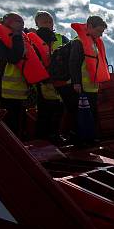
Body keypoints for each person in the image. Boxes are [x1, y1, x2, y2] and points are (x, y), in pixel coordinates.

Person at [66, 15, 111, 142]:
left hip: (92, 87)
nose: (100, 35)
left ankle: (90, 138)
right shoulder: (79, 42)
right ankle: (78, 140)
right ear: (90, 26)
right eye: (99, 31)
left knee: (92, 114)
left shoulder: (95, 44)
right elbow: (73, 63)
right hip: (81, 87)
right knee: (80, 115)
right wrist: (76, 83)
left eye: (102, 32)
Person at [29, 10, 70, 143]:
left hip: (59, 79)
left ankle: (55, 135)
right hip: (42, 80)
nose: (48, 24)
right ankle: (41, 138)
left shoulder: (62, 38)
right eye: (44, 21)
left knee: (59, 108)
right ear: (37, 24)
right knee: (44, 110)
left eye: (50, 21)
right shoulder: (31, 39)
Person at [0, 12, 29, 137]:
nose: (21, 24)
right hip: (4, 93)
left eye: (22, 22)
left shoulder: (23, 40)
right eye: (18, 22)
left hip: (20, 91)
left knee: (17, 126)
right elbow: (14, 57)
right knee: (7, 128)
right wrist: (17, 36)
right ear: (9, 24)